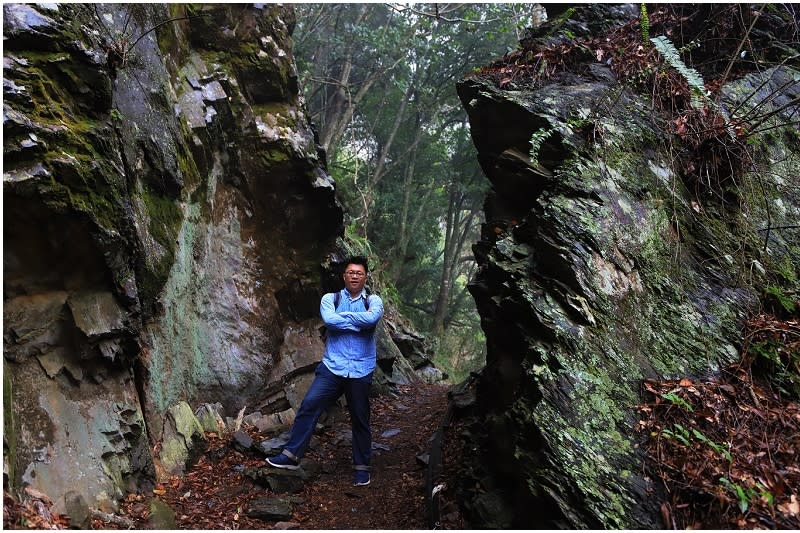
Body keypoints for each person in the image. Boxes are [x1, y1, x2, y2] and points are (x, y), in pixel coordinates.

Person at [266, 256, 384, 487]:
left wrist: (346, 320)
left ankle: (362, 468)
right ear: (344, 276)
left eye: (359, 273)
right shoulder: (331, 298)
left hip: (361, 369)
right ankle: (291, 456)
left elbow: (371, 320)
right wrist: (357, 322)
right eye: (350, 272)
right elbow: (330, 320)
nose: (354, 276)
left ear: (365, 276)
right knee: (309, 406)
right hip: (333, 366)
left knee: (360, 419)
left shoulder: (373, 300)